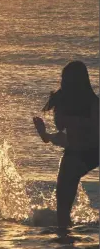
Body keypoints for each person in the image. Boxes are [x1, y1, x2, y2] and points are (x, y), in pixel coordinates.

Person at [33, 61, 99, 229]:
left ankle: (65, 241)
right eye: (62, 78)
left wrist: (74, 122)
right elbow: (66, 138)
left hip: (92, 151)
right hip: (74, 153)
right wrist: (45, 135)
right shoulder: (62, 99)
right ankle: (65, 246)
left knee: (63, 212)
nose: (62, 82)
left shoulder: (93, 103)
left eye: (66, 79)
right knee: (62, 212)